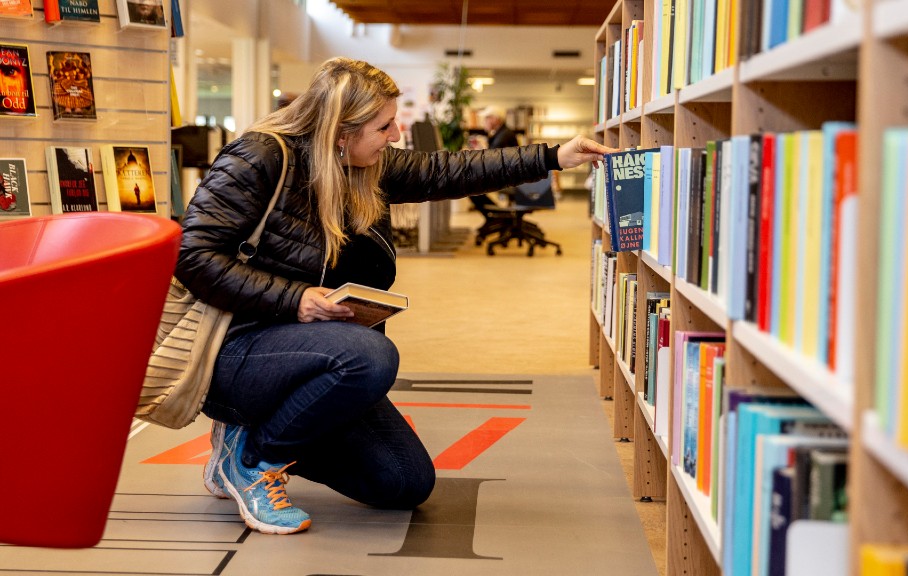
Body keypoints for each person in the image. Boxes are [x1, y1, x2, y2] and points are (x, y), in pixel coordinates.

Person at [175, 56, 615, 536]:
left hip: (317, 354)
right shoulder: (259, 157)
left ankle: (255, 433)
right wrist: (294, 298)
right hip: (239, 348)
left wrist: (553, 157)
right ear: (342, 131)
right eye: (384, 126)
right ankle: (254, 460)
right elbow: (193, 256)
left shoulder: (366, 166)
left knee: (404, 482)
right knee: (370, 356)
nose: (396, 134)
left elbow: (451, 170)